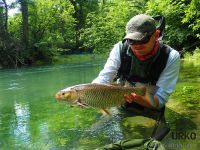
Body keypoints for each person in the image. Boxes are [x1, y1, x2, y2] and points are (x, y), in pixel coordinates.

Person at [92, 14, 180, 111]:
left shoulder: (171, 56)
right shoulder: (120, 47)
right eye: (131, 40)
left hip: (151, 106)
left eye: (142, 39)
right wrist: (89, 93)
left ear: (156, 35)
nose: (137, 45)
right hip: (121, 102)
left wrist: (135, 96)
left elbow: (159, 101)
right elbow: (105, 76)